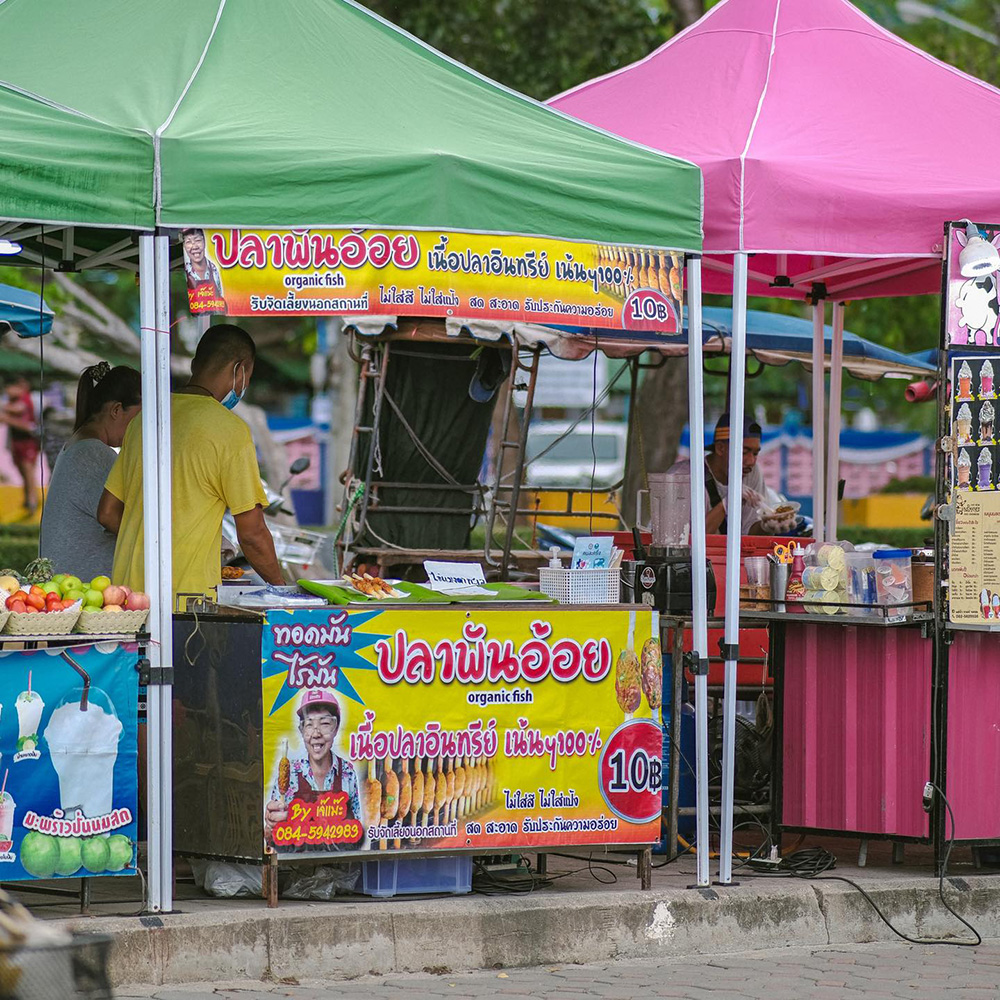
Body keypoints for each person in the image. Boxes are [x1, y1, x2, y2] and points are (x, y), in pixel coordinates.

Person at [98, 324, 284, 598]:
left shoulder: (144, 420)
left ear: (196, 364)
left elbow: (107, 512)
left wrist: (156, 544)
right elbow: (253, 534)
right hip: (187, 603)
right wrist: (282, 589)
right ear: (240, 370)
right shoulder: (231, 431)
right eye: (248, 377)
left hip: (129, 598)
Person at [39, 363, 141, 579]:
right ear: (116, 410)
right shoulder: (94, 453)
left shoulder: (79, 445)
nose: (141, 425)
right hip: (83, 590)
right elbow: (114, 517)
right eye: (139, 416)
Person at [263, 690, 362, 847]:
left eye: (324, 724)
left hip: (338, 863)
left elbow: (357, 829)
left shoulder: (348, 772)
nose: (316, 733)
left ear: (336, 728)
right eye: (309, 724)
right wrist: (271, 824)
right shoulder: (290, 774)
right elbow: (272, 837)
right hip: (298, 864)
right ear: (302, 731)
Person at [668, 413, 793, 536]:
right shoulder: (682, 478)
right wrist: (727, 503)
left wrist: (766, 526)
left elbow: (748, 532)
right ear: (720, 449)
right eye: (744, 452)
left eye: (755, 453)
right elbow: (689, 542)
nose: (751, 461)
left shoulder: (751, 471)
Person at [0, 376, 40, 514]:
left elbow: (18, 410)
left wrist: (6, 416)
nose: (8, 391)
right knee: (23, 471)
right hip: (17, 442)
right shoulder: (13, 401)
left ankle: (32, 501)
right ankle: (28, 500)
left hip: (27, 442)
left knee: (28, 471)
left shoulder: (25, 399)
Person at [181, 228, 224, 299]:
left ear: (204, 242)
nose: (194, 247)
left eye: (198, 240)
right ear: (184, 247)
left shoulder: (215, 270)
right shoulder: (184, 273)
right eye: (188, 242)